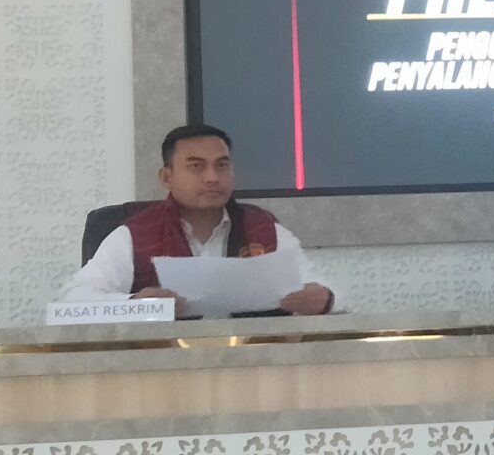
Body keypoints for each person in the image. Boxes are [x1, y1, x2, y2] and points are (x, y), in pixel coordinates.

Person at [62, 124, 333, 315]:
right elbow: (71, 301)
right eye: (196, 166)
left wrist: (324, 299)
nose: (212, 177)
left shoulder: (263, 227)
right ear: (166, 177)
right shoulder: (135, 234)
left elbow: (327, 291)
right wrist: (135, 304)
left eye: (222, 165)